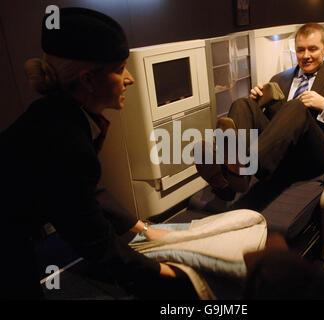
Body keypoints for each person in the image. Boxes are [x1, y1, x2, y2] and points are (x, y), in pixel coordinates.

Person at [0, 7, 195, 299]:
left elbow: (85, 190)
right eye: (119, 70)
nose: (129, 78)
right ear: (88, 80)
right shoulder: (64, 139)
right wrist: (170, 274)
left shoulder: (57, 114)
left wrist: (144, 229)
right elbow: (96, 243)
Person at [196, 23, 324, 200]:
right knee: (242, 104)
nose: (306, 56)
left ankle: (241, 169)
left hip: (316, 153)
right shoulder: (280, 79)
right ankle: (229, 180)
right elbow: (275, 124)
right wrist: (256, 104)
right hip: (281, 152)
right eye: (301, 50)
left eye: (313, 49)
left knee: (296, 106)